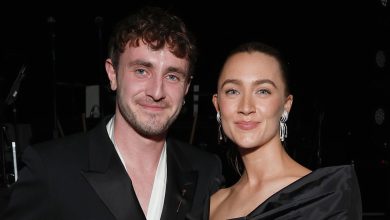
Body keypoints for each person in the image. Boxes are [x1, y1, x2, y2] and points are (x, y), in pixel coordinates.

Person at [1, 6, 223, 220]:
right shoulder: (51, 169)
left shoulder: (206, 172)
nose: (157, 92)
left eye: (172, 76)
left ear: (186, 87)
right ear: (113, 74)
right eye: (142, 71)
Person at [208, 41, 362, 219]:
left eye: (263, 91)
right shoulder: (213, 205)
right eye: (233, 91)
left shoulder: (324, 196)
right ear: (217, 105)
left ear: (286, 105)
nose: (246, 107)